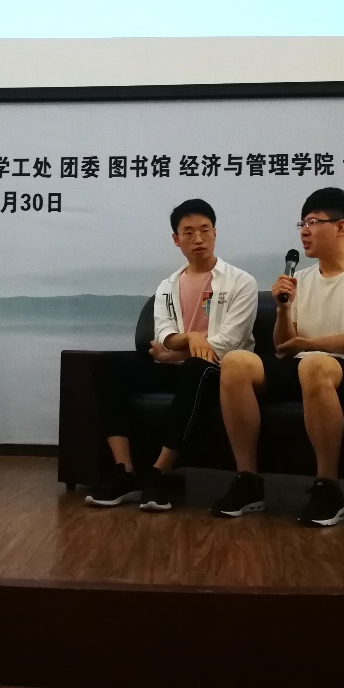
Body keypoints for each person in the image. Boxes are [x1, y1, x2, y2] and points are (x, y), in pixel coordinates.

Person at [211, 187, 344, 527]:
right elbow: (283, 346)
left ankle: (328, 488)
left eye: (313, 222)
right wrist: (283, 309)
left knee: (314, 364)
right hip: (302, 366)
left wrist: (308, 344)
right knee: (235, 362)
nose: (304, 231)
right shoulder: (300, 279)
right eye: (302, 223)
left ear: (340, 227)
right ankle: (248, 481)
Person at [85, 199, 257, 512]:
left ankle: (159, 472)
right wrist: (188, 339)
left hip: (221, 370)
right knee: (108, 365)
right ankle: (125, 471)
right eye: (188, 232)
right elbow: (164, 333)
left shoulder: (241, 282)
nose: (198, 238)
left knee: (196, 366)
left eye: (205, 230)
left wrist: (174, 351)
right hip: (177, 365)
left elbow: (229, 342)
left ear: (215, 233)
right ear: (176, 240)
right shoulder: (168, 285)